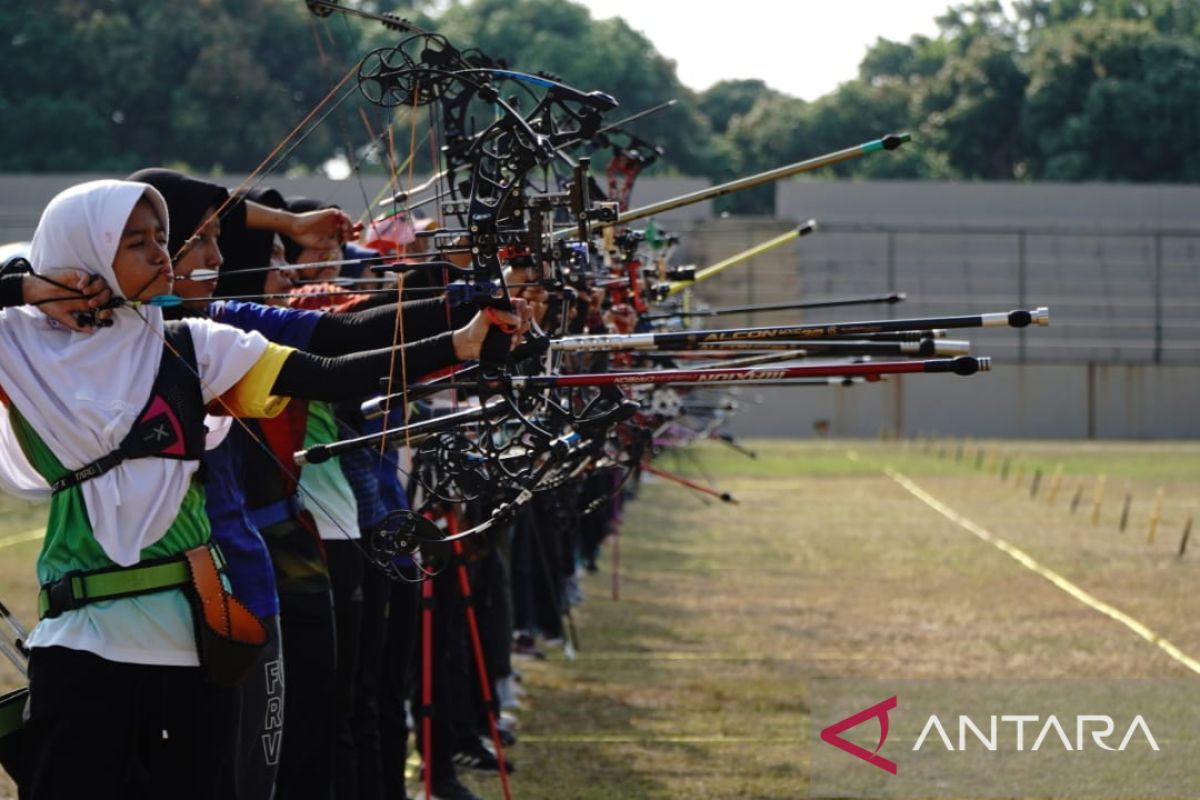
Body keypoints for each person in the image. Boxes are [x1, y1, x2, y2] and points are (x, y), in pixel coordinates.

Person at [0, 179, 527, 799]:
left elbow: (326, 369)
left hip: (191, 641)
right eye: (136, 243)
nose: (162, 255)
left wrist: (460, 342)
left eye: (164, 239)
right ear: (82, 256)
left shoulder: (192, 342)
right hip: (81, 643)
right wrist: (28, 285)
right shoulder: (19, 343)